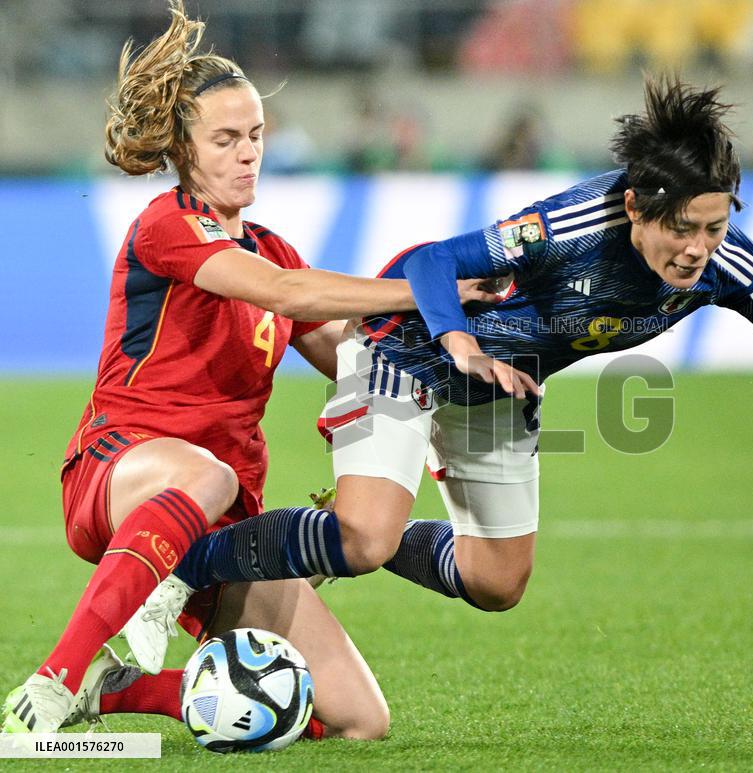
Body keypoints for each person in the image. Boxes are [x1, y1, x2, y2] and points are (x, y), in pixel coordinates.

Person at [126, 74, 753, 654]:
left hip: (503, 381)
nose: (700, 248)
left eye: (715, 224)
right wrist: (459, 339)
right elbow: (433, 262)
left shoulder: (727, 262)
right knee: (362, 539)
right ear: (635, 206)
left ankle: (337, 522)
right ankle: (186, 563)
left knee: (498, 582)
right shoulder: (567, 226)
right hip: (410, 341)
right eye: (684, 228)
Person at [0, 0, 495, 738]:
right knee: (209, 472)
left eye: (256, 135)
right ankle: (56, 675)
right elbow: (289, 294)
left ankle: (116, 691)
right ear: (183, 150)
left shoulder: (274, 248)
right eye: (226, 139)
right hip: (121, 475)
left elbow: (349, 355)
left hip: (224, 527)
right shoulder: (167, 227)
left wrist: (459, 363)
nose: (247, 153)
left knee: (357, 720)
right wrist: (430, 289)